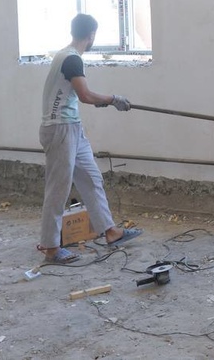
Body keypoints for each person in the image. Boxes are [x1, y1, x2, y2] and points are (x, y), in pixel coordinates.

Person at [37, 13, 143, 263]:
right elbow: (85, 95)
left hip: (72, 127)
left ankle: (110, 231)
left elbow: (78, 96)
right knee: (58, 189)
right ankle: (51, 247)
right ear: (92, 35)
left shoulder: (66, 56)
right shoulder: (71, 59)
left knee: (92, 179)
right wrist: (113, 99)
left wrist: (106, 101)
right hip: (60, 129)